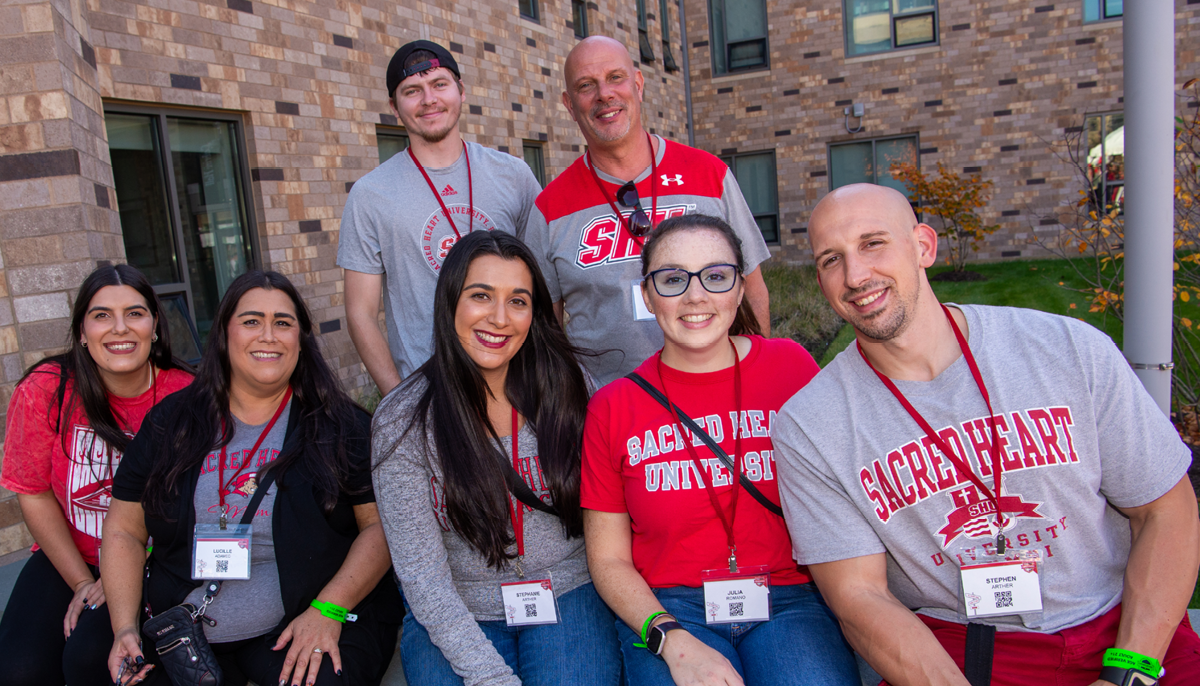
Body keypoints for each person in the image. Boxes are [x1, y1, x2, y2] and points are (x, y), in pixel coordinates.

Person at [771, 183, 1200, 686]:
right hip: (964, 653)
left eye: (873, 243)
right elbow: (859, 597)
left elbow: (1164, 510)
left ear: (923, 246)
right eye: (830, 259)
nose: (856, 275)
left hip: (1125, 628)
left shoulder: (1068, 349)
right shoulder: (810, 425)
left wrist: (1131, 670)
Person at [582, 214, 861, 686]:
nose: (696, 296)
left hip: (789, 596)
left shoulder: (790, 368)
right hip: (670, 605)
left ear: (738, 289)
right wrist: (669, 639)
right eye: (672, 279)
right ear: (647, 296)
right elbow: (608, 559)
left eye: (716, 276)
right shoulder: (613, 406)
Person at [102, 270, 403, 686]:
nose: (268, 335)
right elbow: (123, 530)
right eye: (251, 321)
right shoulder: (171, 423)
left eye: (283, 322)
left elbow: (380, 529)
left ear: (301, 339)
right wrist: (125, 626)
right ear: (224, 335)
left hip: (308, 616)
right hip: (188, 625)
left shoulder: (341, 426)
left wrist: (328, 610)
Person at [373, 231, 619, 686]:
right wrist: (490, 677)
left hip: (566, 589)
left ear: (535, 312)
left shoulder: (570, 388)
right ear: (450, 303)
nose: (500, 318)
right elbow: (423, 580)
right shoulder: (403, 419)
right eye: (481, 296)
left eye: (518, 300)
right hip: (457, 604)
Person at [522, 36, 772, 385]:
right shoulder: (550, 207)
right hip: (605, 413)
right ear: (569, 103)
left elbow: (754, 289)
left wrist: (757, 377)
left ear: (638, 85)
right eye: (586, 85)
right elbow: (544, 323)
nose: (604, 95)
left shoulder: (709, 175)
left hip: (715, 396)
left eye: (615, 78)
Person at [0, 264, 193, 686]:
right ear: (82, 331)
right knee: (15, 671)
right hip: (72, 552)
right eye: (102, 316)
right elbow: (34, 492)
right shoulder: (46, 389)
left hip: (160, 557)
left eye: (135, 313)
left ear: (155, 326)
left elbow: (204, 500)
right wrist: (83, 580)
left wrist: (124, 569)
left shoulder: (189, 394)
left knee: (89, 660)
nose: (120, 329)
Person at [340, 39, 543, 395]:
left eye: (439, 84)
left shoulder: (514, 175)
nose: (429, 100)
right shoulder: (370, 195)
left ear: (461, 91)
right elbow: (361, 312)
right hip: (429, 393)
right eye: (412, 91)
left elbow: (545, 286)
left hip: (516, 387)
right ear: (394, 106)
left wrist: (543, 376)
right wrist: (399, 401)